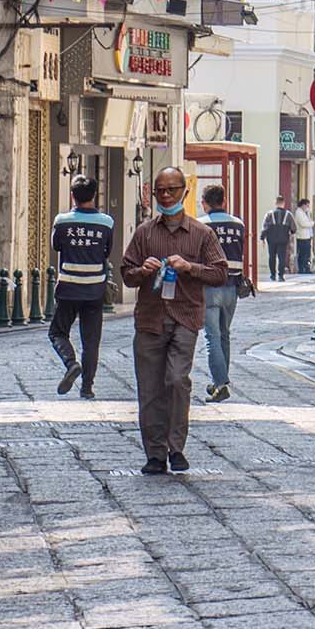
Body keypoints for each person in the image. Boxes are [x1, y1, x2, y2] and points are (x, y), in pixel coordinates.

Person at [119, 166, 230, 475]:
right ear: (154, 194)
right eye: (160, 191)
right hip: (150, 319)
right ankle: (155, 454)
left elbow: (220, 273)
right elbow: (126, 273)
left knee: (177, 381)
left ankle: (175, 447)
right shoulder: (144, 232)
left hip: (185, 316)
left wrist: (190, 268)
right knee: (150, 388)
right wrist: (142, 271)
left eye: (172, 190)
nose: (166, 196)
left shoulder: (201, 233)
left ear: (185, 191)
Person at [48, 176, 119, 398]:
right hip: (95, 289)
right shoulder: (106, 222)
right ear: (94, 195)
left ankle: (71, 363)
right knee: (91, 340)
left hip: (68, 286)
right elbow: (107, 251)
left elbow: (56, 245)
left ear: (72, 196)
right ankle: (87, 387)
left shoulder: (62, 221)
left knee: (58, 331)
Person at [196, 184, 248, 404]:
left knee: (212, 336)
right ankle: (221, 381)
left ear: (204, 203)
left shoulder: (200, 225)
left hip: (209, 286)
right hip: (233, 286)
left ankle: (220, 383)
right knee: (224, 333)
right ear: (224, 201)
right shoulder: (238, 224)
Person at [261, 201, 295, 282]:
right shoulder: (288, 214)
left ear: (276, 203)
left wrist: (262, 237)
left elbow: (265, 226)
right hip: (283, 239)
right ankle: (281, 276)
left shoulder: (270, 214)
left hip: (271, 238)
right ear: (283, 204)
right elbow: (293, 228)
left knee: (272, 257)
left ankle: (272, 275)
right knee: (281, 257)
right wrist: (290, 233)